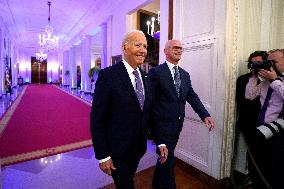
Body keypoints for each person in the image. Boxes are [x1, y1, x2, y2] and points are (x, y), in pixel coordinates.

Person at [149, 40, 216, 189]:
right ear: (166, 51)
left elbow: (191, 96)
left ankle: (156, 184)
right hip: (161, 126)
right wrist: (155, 133)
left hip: (177, 125)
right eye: (175, 48)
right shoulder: (156, 72)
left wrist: (205, 115)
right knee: (168, 159)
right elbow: (150, 103)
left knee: (165, 157)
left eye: (181, 49)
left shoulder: (185, 75)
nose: (179, 51)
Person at [90, 30, 152, 189]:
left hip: (138, 148)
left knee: (128, 179)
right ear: (125, 48)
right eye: (138, 45)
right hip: (118, 150)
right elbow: (97, 119)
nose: (143, 50)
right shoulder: (108, 76)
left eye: (145, 46)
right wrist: (103, 155)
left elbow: (146, 112)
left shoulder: (146, 77)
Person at [245, 49, 284, 189]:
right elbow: (249, 96)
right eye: (269, 62)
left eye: (274, 62)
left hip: (279, 133)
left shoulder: (276, 80)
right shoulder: (265, 79)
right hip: (261, 128)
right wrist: (255, 77)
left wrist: (274, 80)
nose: (270, 65)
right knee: (258, 163)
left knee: (275, 167)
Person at [235, 51, 267, 188]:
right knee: (244, 151)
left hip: (264, 125)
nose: (255, 65)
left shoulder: (272, 80)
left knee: (261, 154)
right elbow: (241, 101)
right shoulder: (242, 79)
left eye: (259, 62)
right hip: (246, 122)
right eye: (253, 62)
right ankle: (243, 176)